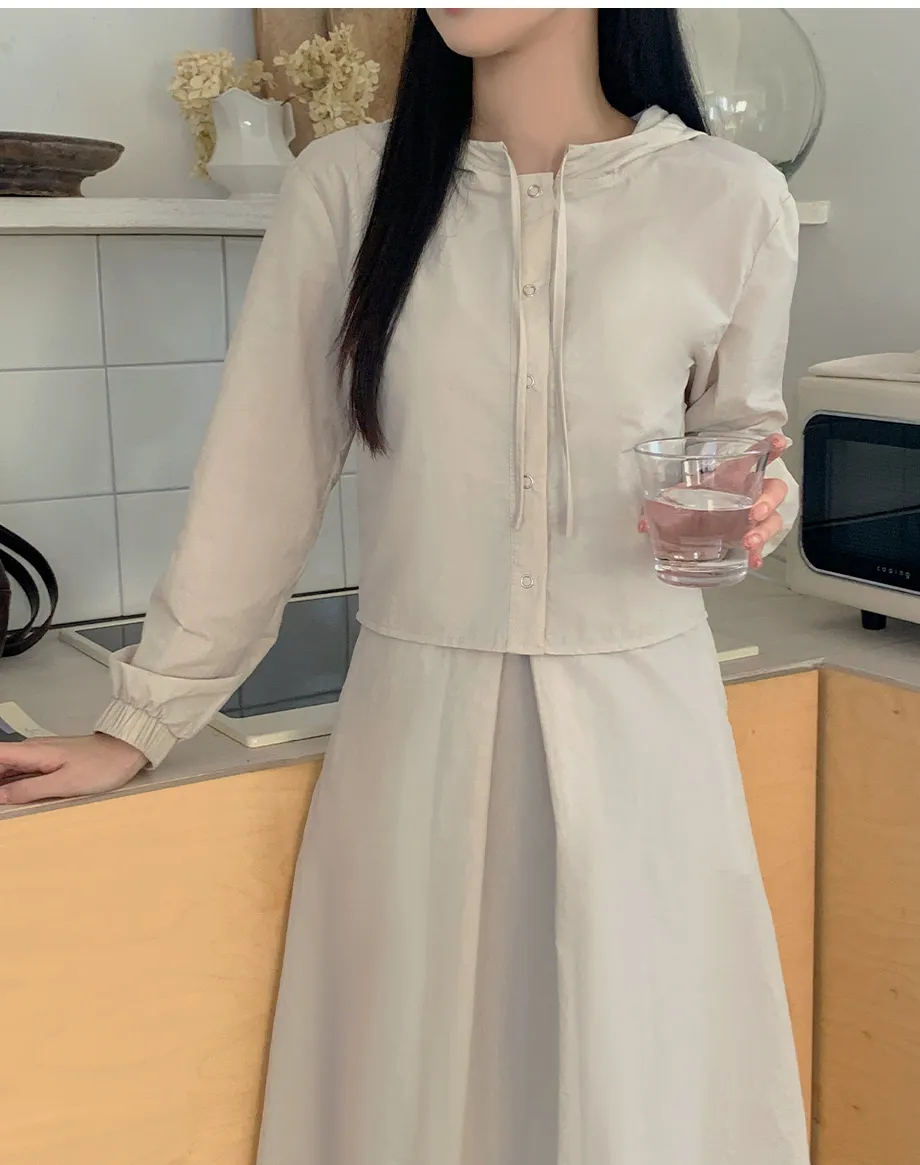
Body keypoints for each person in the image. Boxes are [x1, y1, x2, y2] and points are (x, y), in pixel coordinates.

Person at [0, 9, 808, 1164]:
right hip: (418, 730)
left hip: (647, 736)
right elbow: (264, 466)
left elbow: (739, 441)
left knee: (643, 1090)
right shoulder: (349, 185)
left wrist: (756, 506)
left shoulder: (728, 197)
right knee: (411, 1094)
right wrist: (143, 717)